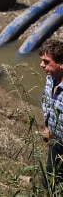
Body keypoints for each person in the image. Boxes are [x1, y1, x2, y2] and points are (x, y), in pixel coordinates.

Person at [39, 39, 63, 193]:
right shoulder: (50, 79)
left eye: (46, 61)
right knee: (49, 180)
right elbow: (48, 104)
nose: (42, 65)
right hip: (56, 141)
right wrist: (48, 126)